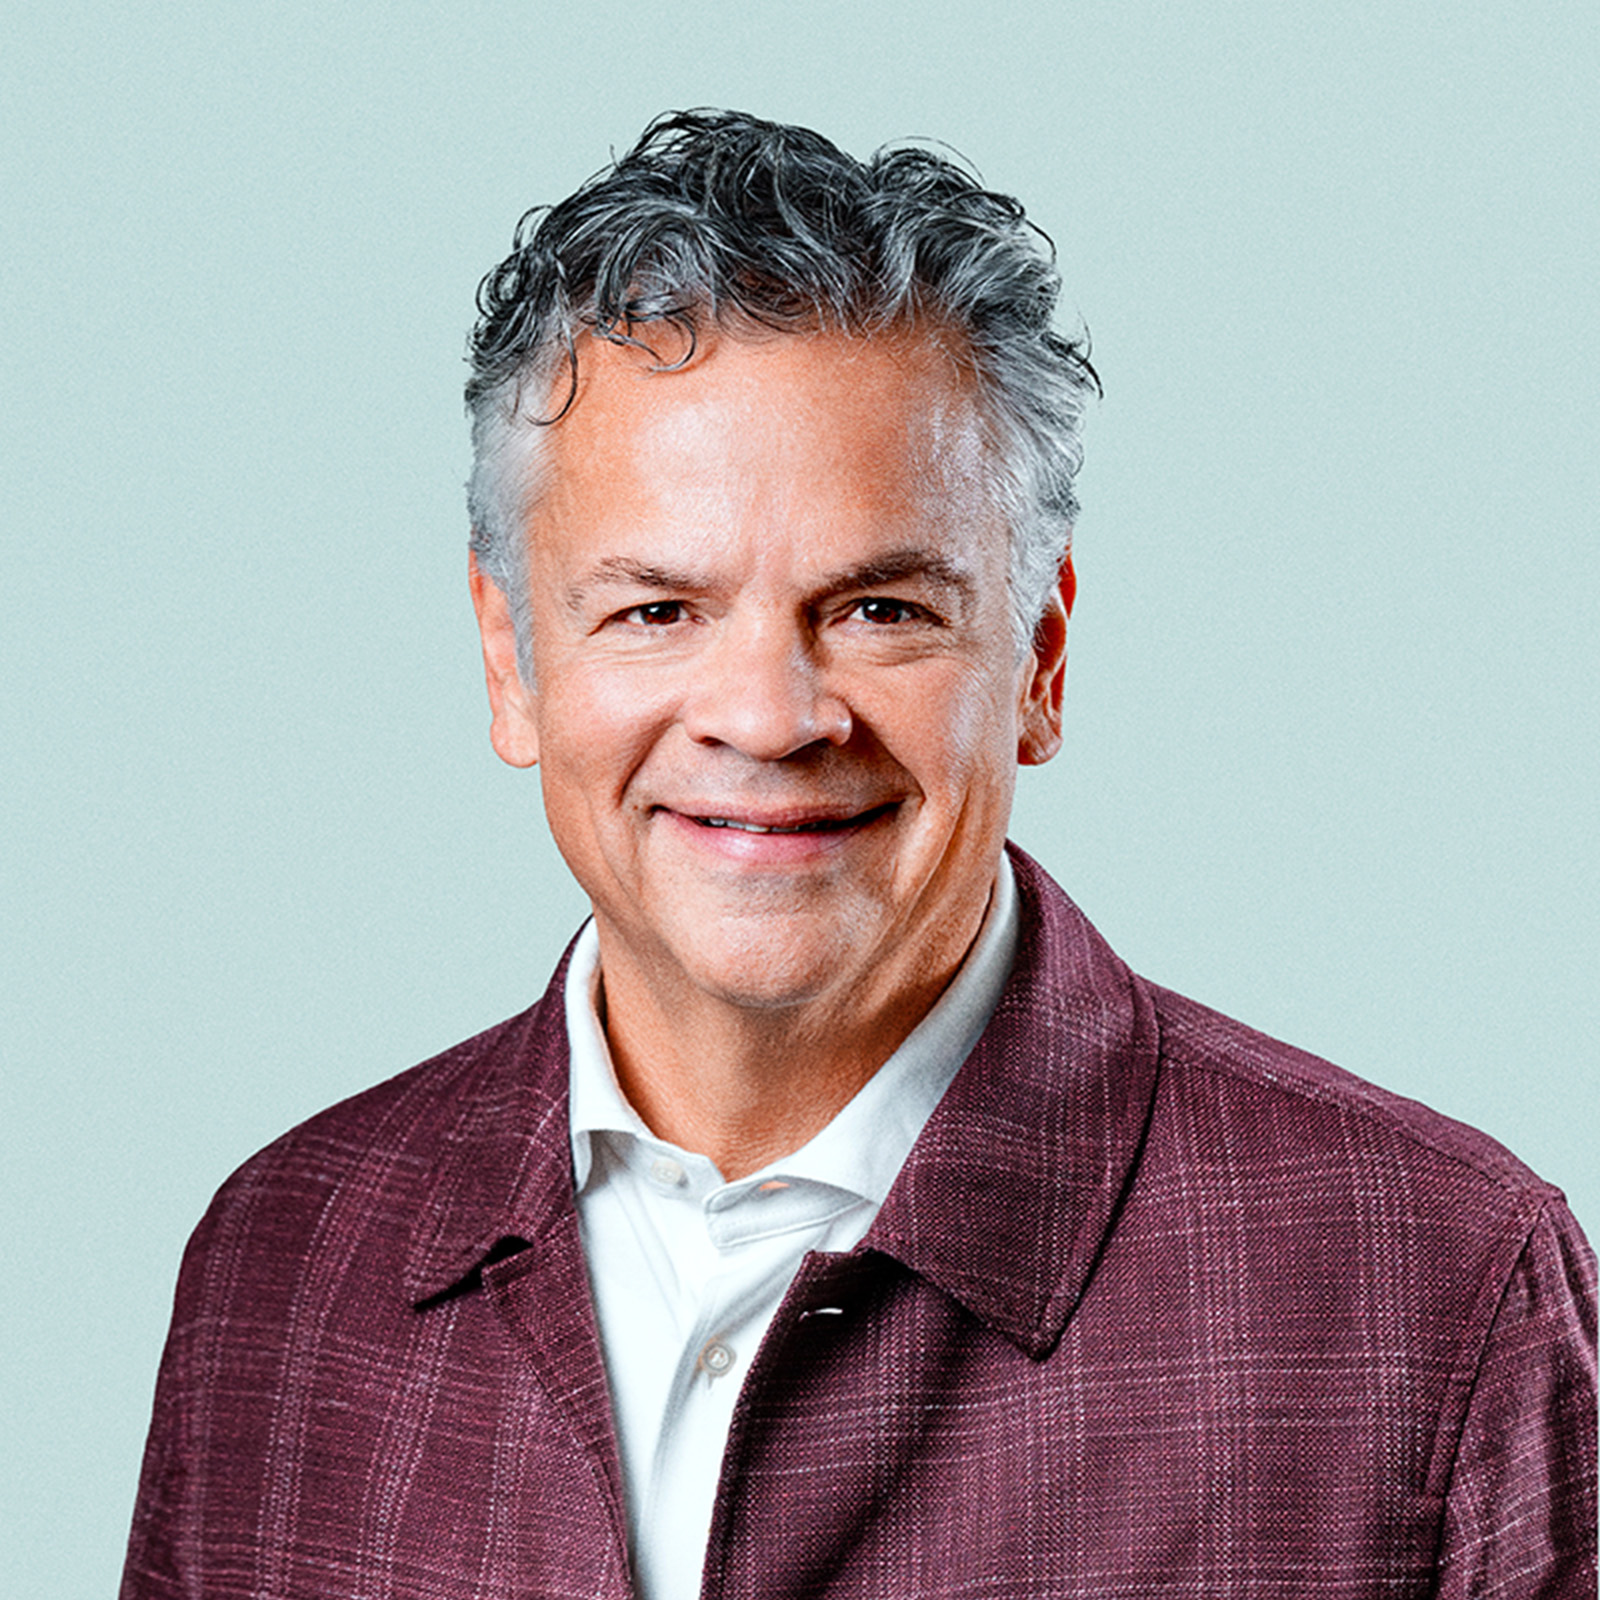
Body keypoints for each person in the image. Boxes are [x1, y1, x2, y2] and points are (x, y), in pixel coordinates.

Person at [122, 109, 1596, 1600]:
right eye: (655, 610)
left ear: (1040, 658)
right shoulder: (284, 1266)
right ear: (511, 658)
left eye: (881, 609)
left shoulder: (1433, 1294)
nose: (767, 718)